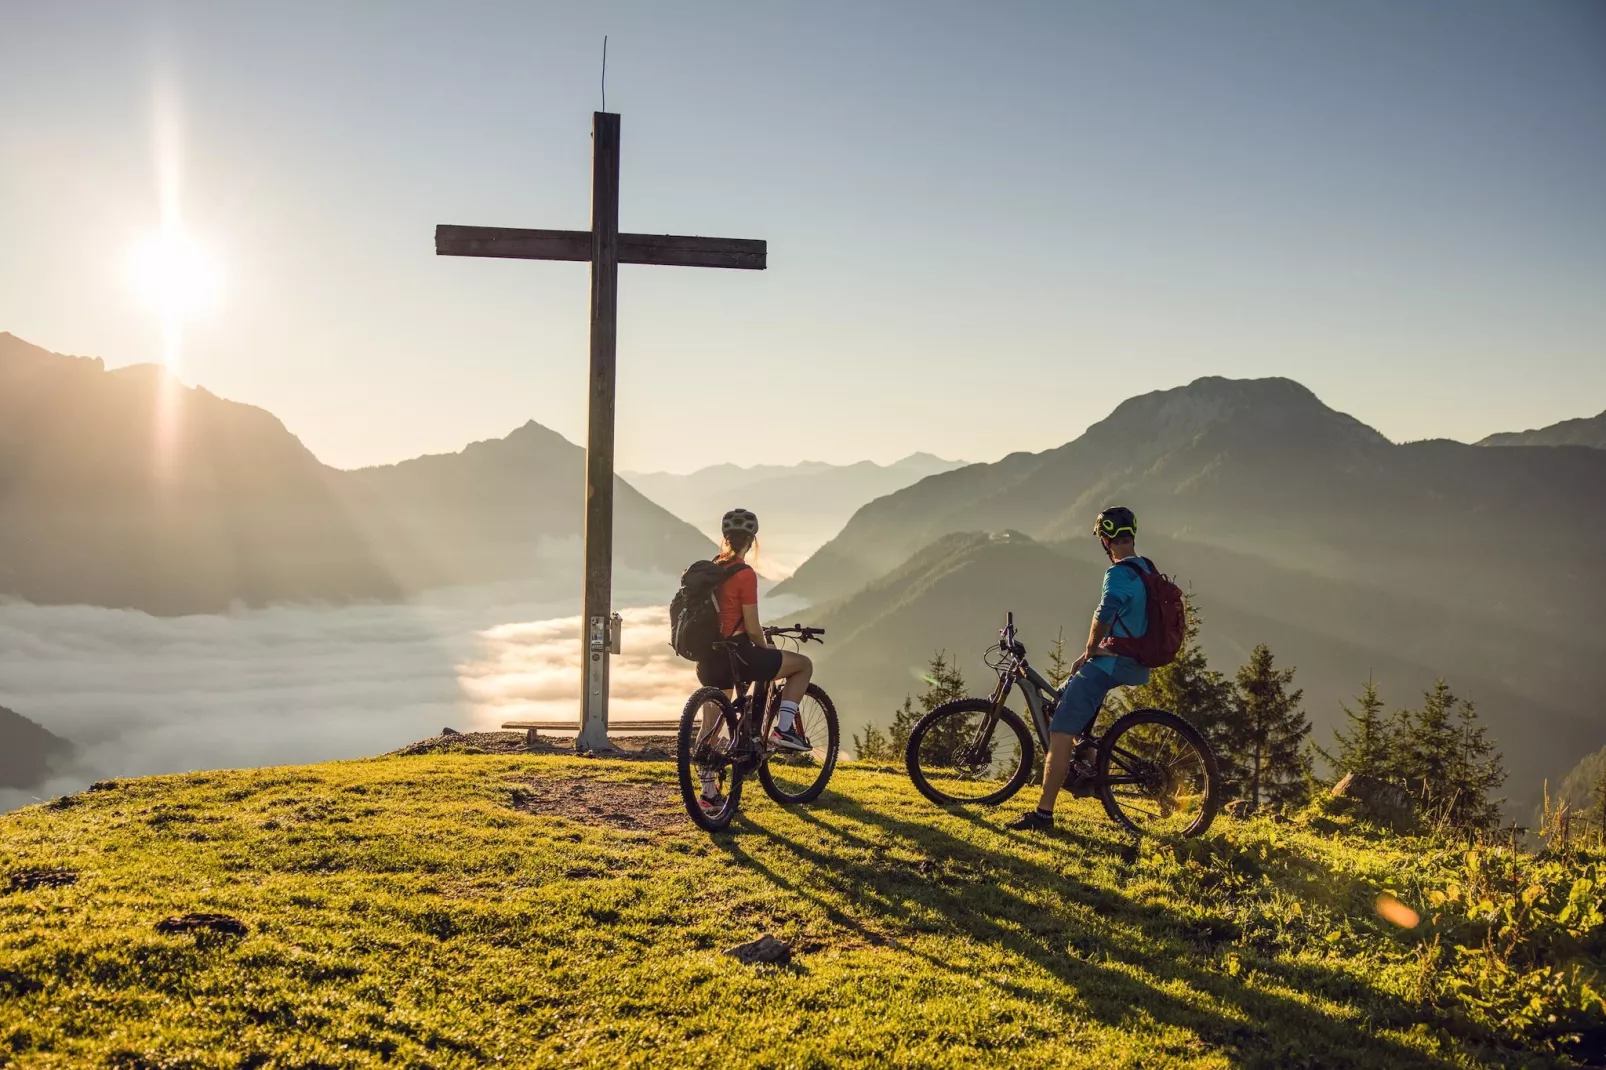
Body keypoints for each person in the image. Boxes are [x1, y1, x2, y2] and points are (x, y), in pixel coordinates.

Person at [1009, 506, 1151, 831]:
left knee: (1059, 732)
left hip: (1113, 663)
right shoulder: (1145, 567)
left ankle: (1043, 815)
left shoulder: (1118, 573)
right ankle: (1085, 763)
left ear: (1105, 540)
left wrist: (1090, 648)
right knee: (1062, 695)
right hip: (1133, 661)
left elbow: (1107, 609)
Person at [693, 509, 813, 812]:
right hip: (738, 655)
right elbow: (752, 626)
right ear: (752, 541)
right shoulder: (744, 574)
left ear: (724, 538)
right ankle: (784, 728)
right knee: (803, 665)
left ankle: (708, 795)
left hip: (708, 658)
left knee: (709, 726)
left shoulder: (713, 569)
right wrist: (766, 646)